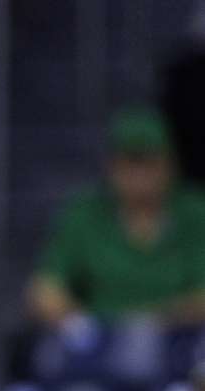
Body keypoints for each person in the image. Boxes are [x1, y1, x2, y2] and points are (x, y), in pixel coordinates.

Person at [28, 107, 205, 327]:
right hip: (101, 342)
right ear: (111, 167)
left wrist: (153, 324)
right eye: (130, 163)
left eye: (149, 163)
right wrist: (86, 325)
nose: (140, 176)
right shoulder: (85, 213)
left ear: (171, 164)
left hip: (179, 339)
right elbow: (45, 290)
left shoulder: (196, 213)